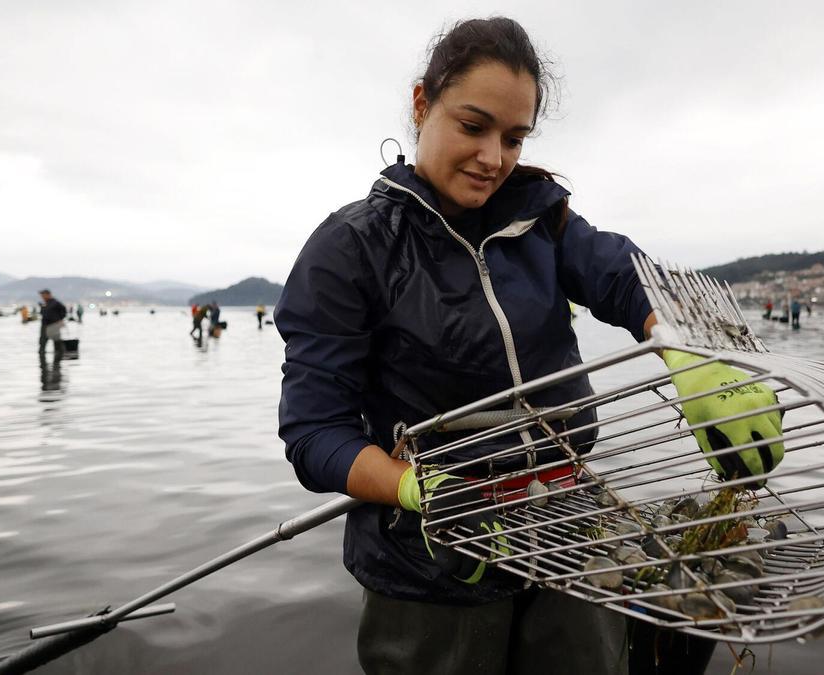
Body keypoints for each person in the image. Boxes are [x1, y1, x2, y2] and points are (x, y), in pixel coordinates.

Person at [274, 18, 783, 675]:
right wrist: (417, 490)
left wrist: (681, 345)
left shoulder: (540, 220)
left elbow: (619, 274)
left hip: (567, 532)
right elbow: (315, 433)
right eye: (474, 126)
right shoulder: (351, 250)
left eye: (514, 138)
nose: (494, 157)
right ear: (422, 103)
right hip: (433, 566)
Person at [37, 289, 67, 357]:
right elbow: (43, 313)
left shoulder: (55, 302)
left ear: (48, 294)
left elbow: (64, 310)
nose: (42, 297)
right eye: (41, 296)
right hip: (45, 325)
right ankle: (42, 357)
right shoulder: (45, 303)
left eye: (43, 295)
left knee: (57, 342)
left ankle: (59, 356)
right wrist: (42, 307)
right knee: (42, 342)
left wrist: (60, 319)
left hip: (54, 325)